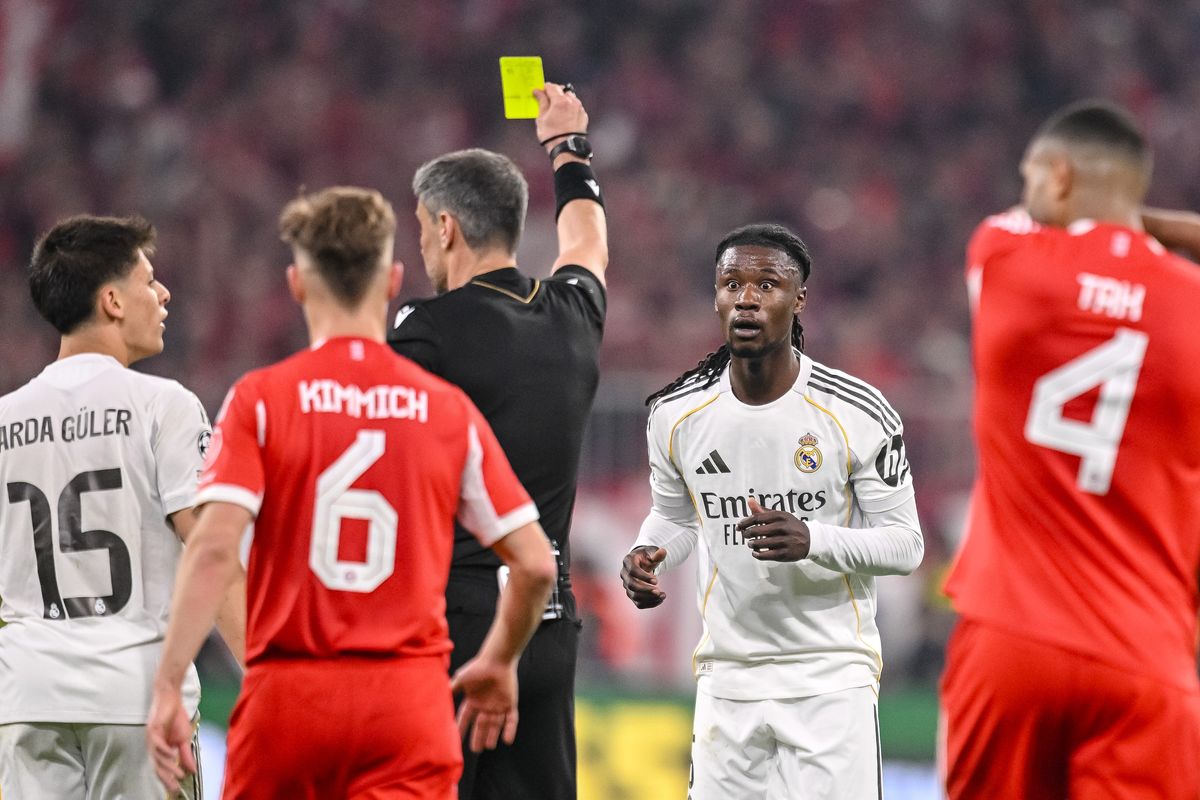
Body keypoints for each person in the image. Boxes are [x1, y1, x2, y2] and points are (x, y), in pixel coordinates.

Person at [147, 187, 558, 799]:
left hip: (288, 699)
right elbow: (533, 563)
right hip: (407, 703)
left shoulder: (261, 399)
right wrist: (499, 661)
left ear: (296, 285)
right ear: (394, 280)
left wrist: (168, 685)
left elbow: (211, 550)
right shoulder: (446, 412)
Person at [941, 101, 1200, 798]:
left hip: (1009, 639)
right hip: (1148, 658)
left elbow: (1044, 228)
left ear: (1057, 176)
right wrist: (1139, 228)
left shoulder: (1003, 255)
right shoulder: (1194, 302)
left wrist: (1124, 223)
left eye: (1029, 179)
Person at [621, 223, 924, 799]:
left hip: (830, 678)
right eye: (731, 283)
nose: (747, 298)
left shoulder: (856, 412)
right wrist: (647, 553)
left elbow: (905, 544)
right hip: (726, 676)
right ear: (715, 297)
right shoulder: (674, 413)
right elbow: (676, 517)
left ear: (799, 298)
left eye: (767, 284)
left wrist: (813, 540)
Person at [387, 82, 607, 800]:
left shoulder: (426, 328)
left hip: (461, 624)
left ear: (445, 227)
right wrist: (568, 148)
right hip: (549, 622)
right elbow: (587, 242)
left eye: (421, 226)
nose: (420, 242)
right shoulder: (575, 312)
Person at [0, 215, 244, 799]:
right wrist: (266, 679)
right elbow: (211, 552)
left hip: (26, 703)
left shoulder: (3, 419)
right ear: (111, 300)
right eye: (148, 280)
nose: (162, 294)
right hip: (136, 704)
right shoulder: (164, 407)